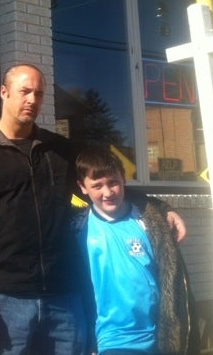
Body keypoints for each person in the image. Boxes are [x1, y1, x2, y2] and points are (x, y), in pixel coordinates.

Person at [0, 63, 187, 355]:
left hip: (64, 298)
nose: (32, 99)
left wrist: (158, 207)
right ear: (3, 92)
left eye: (39, 93)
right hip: (6, 300)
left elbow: (103, 185)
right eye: (24, 91)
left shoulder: (60, 151)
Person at [74, 144, 200, 355]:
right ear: (82, 187)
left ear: (124, 178)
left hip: (159, 337)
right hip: (110, 340)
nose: (107, 192)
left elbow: (174, 282)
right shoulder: (78, 231)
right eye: (97, 186)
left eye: (113, 182)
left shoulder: (152, 222)